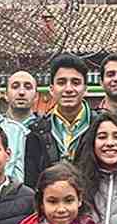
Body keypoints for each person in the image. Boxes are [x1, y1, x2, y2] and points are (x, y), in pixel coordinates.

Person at [23, 54, 92, 186]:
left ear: (85, 89)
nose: (68, 89)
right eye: (61, 83)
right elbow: (31, 182)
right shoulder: (37, 131)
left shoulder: (99, 126)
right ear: (52, 89)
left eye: (75, 83)